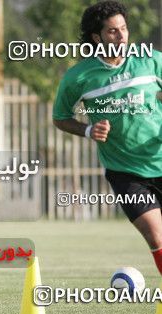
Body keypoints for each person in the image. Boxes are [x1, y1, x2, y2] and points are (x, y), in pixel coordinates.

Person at [52, 1, 162, 275]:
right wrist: (88, 130)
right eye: (113, 31)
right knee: (156, 237)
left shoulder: (150, 60)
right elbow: (60, 118)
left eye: (124, 28)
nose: (122, 35)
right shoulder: (78, 77)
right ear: (96, 37)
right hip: (126, 173)